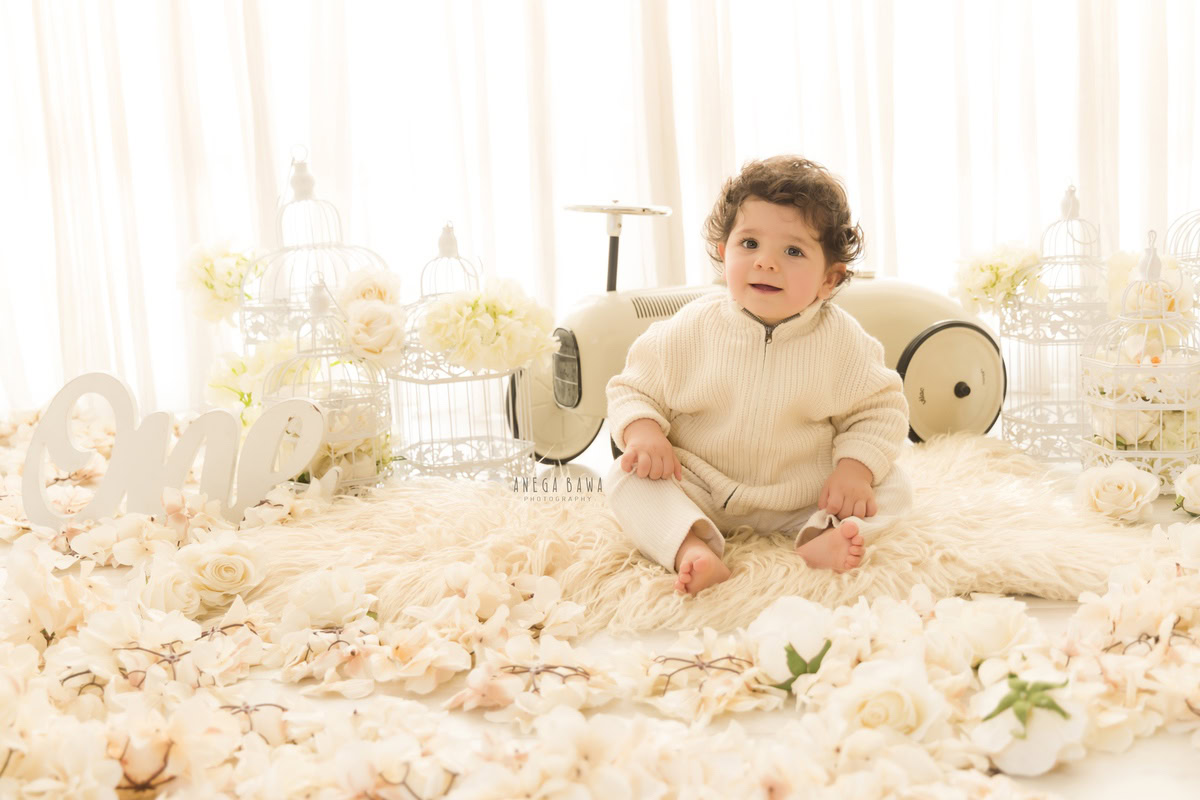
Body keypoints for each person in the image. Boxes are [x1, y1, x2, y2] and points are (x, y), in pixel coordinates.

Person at [604, 155, 913, 596]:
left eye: (793, 251)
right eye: (749, 244)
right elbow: (634, 387)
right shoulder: (692, 327)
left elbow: (879, 410)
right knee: (624, 476)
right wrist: (644, 433)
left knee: (894, 486)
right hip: (701, 487)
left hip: (805, 495)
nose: (766, 262)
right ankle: (691, 546)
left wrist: (854, 471)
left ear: (830, 279)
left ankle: (820, 538)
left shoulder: (843, 341)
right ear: (721, 253)